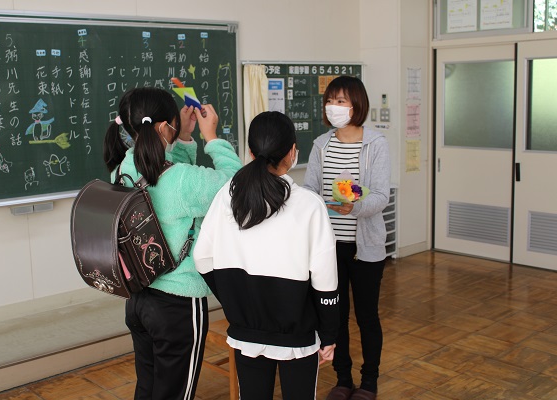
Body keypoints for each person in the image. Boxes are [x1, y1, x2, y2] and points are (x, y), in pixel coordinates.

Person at [103, 87, 242, 400]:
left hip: (138, 297)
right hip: (176, 305)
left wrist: (182, 138)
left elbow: (164, 169)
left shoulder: (123, 167)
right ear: (164, 126)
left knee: (149, 387)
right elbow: (238, 187)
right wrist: (212, 137)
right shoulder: (181, 181)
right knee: (175, 393)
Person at [193, 111, 339, 400]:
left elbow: (202, 257)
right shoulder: (310, 205)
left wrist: (234, 298)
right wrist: (330, 335)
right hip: (298, 337)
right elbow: (325, 279)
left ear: (249, 151)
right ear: (293, 152)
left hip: (246, 332)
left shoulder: (228, 194)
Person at [304, 76, 390, 400]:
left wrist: (354, 207)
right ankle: (342, 378)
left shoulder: (376, 145)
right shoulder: (321, 145)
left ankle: (369, 382)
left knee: (367, 316)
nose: (334, 107)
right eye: (331, 100)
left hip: (365, 247)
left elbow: (381, 195)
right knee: (334, 315)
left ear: (357, 104)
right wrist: (314, 202)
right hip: (329, 246)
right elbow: (311, 189)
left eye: (341, 100)